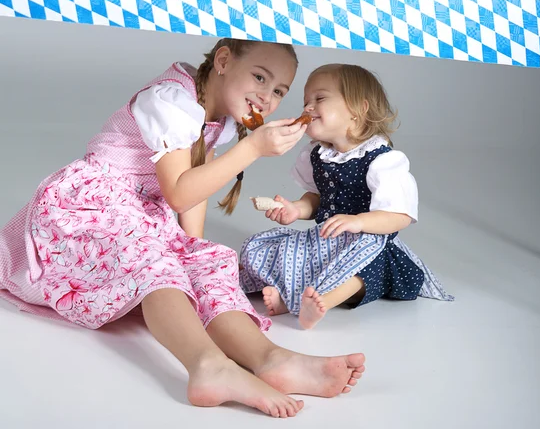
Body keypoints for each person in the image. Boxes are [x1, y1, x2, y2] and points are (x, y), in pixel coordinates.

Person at [0, 40, 365, 418]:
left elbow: (197, 182)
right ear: (223, 61)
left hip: (140, 211)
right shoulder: (171, 100)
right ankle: (207, 364)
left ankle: (270, 359)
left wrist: (192, 247)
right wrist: (253, 148)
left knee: (202, 262)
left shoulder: (218, 115)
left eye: (278, 91)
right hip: (89, 205)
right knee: (153, 263)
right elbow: (177, 193)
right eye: (259, 77)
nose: (267, 97)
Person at [240, 63, 453, 330]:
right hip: (329, 241)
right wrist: (297, 209)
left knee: (359, 268)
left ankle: (320, 303)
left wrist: (359, 222)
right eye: (306, 101)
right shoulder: (318, 154)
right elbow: (317, 199)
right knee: (269, 247)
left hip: (370, 246)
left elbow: (399, 216)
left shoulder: (382, 160)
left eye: (319, 99)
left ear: (357, 110)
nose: (307, 107)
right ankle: (290, 297)